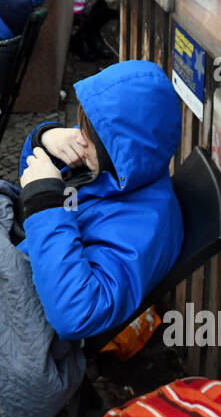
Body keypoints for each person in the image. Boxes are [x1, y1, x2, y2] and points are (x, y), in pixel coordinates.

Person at [17, 60, 183, 340]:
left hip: (28, 312)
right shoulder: (119, 170)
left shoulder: (143, 228)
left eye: (88, 135)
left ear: (118, 149)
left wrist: (45, 204)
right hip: (31, 259)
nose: (80, 140)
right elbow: (31, 178)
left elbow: (77, 314)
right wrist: (45, 140)